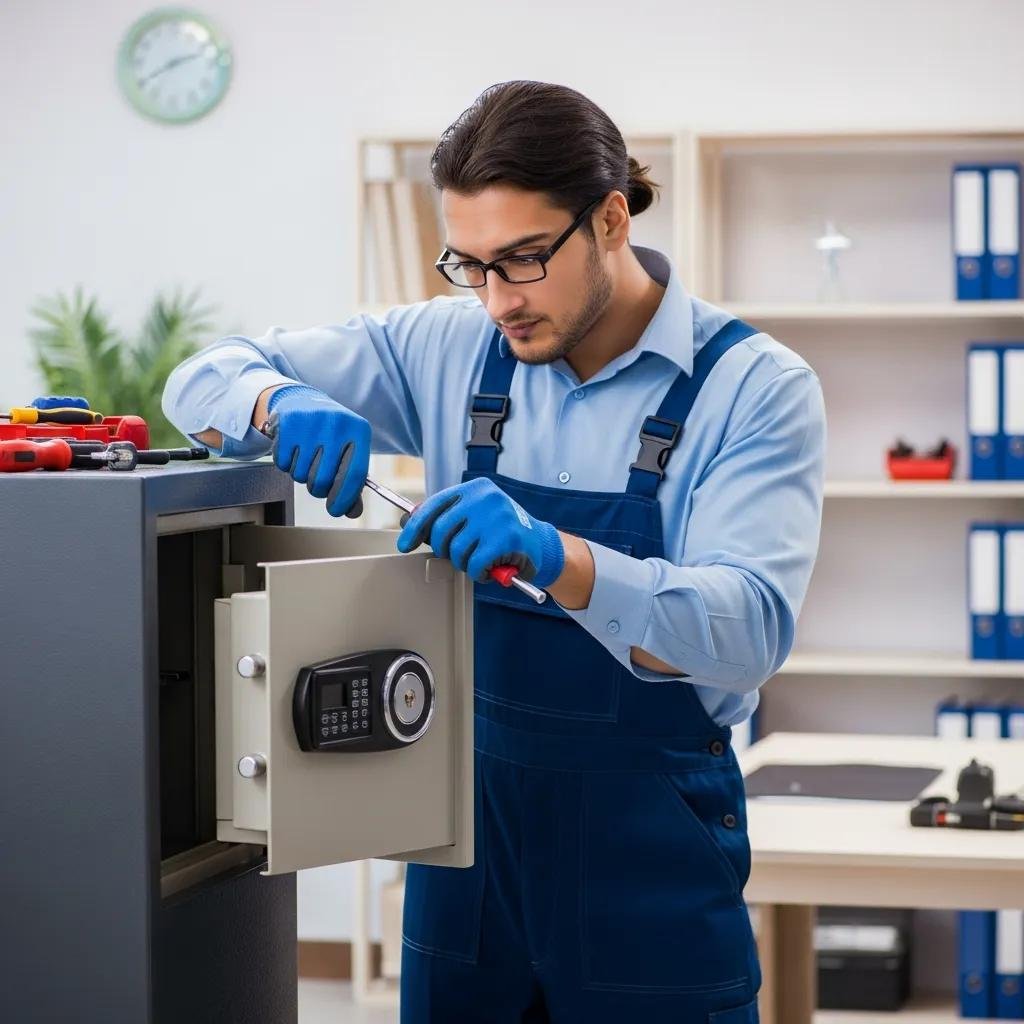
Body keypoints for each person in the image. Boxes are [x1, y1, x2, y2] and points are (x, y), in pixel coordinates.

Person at [162, 79, 826, 1024]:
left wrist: (560, 559)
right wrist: (278, 404)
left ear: (607, 220)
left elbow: (748, 631)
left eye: (521, 260)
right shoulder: (448, 346)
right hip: (461, 850)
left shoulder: (753, 389)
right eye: (469, 265)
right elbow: (201, 373)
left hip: (648, 862)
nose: (499, 300)